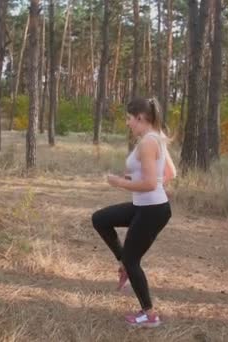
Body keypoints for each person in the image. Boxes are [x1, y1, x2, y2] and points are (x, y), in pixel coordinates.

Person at [91, 96, 176, 328]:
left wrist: (119, 182)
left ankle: (149, 315)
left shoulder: (148, 142)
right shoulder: (157, 138)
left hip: (152, 210)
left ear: (140, 117)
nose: (128, 123)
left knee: (132, 260)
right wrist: (136, 180)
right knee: (100, 219)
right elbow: (169, 173)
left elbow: (151, 183)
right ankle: (124, 264)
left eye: (129, 119)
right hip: (146, 206)